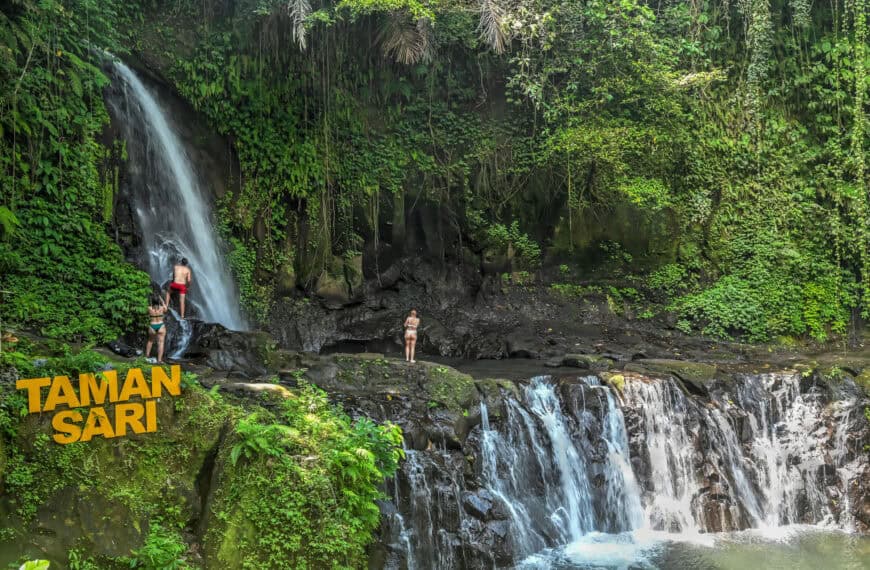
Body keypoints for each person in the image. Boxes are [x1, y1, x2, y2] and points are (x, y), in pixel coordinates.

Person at [145, 295, 168, 364]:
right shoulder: (161, 308)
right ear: (158, 301)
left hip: (152, 326)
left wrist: (150, 301)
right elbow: (166, 309)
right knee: (161, 343)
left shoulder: (149, 308)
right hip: (161, 326)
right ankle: (159, 360)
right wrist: (162, 301)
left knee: (150, 341)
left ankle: (147, 356)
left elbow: (147, 312)